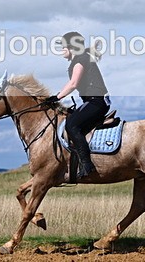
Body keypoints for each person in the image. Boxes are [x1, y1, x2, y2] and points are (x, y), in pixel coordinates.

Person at [47, 31, 110, 179]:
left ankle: (87, 165)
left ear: (72, 47)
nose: (62, 50)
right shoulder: (81, 58)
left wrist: (56, 97)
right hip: (92, 101)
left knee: (71, 125)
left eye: (63, 47)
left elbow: (73, 84)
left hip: (96, 102)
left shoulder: (81, 59)